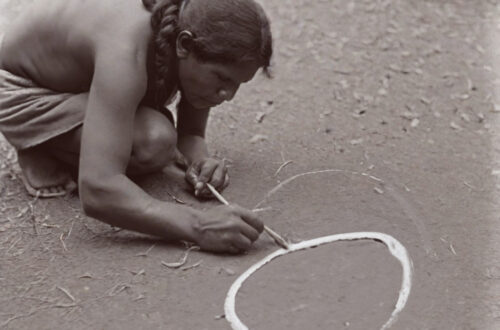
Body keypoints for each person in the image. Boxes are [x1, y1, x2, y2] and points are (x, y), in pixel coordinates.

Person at [0, 0, 273, 254]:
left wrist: (200, 160)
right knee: (153, 141)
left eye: (238, 84)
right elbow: (98, 190)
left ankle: (88, 133)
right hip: (19, 87)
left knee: (156, 133)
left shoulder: (190, 25)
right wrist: (198, 224)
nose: (228, 95)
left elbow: (190, 134)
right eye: (222, 78)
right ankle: (40, 145)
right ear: (184, 45)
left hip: (76, 80)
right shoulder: (126, 51)